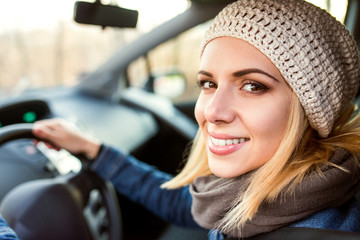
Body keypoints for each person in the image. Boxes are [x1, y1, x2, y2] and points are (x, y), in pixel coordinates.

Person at [30, 0, 360, 239]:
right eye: (208, 83)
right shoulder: (268, 186)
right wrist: (95, 149)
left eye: (252, 86)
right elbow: (183, 205)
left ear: (311, 107)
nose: (212, 112)